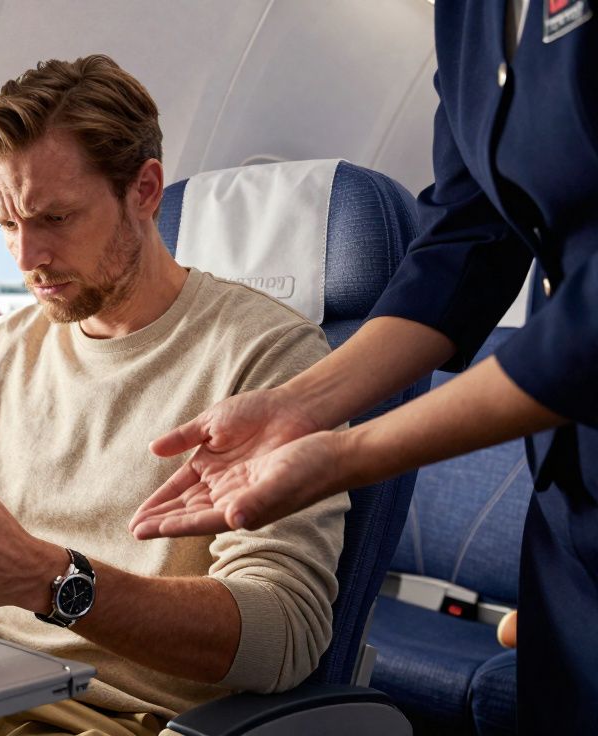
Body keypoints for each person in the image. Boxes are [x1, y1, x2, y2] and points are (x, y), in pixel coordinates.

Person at [0, 55, 349, 735]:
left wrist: (48, 581)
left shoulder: (269, 356)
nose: (26, 256)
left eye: (55, 217)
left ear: (145, 190)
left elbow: (285, 639)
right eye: (6, 225)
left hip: (112, 717)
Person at [130, 1, 596, 730]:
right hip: (574, 504)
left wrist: (348, 452)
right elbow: (467, 233)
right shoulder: (469, 12)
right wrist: (301, 403)